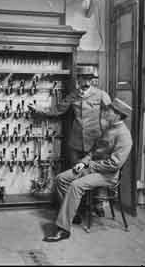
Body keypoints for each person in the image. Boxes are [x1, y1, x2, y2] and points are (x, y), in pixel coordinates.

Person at [42, 98, 133, 242]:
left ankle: (63, 229)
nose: (105, 112)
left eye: (109, 110)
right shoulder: (108, 128)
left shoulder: (124, 136)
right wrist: (83, 163)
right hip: (93, 168)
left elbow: (114, 165)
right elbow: (94, 151)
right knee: (61, 179)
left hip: (107, 175)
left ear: (117, 115)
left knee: (76, 185)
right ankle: (73, 213)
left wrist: (90, 166)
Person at [28, 66, 111, 216]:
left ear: (92, 80)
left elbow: (110, 116)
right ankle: (77, 208)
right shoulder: (73, 95)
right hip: (77, 142)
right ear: (78, 79)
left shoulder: (101, 95)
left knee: (96, 172)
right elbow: (58, 109)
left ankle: (98, 203)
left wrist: (106, 138)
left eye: (89, 78)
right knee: (75, 175)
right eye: (83, 78)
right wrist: (39, 109)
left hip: (95, 143)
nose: (86, 81)